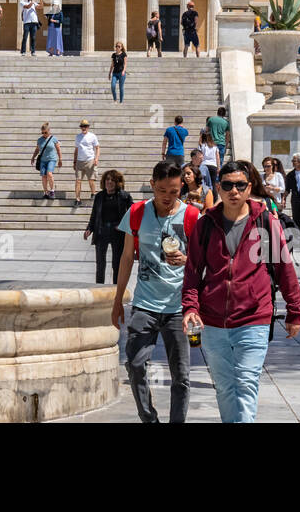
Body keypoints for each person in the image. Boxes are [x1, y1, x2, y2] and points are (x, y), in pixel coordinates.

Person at [183, 160, 300, 423]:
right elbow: (192, 271)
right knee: (225, 388)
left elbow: (284, 268)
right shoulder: (205, 225)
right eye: (227, 185)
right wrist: (191, 307)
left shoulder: (266, 222)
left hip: (254, 317)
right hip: (213, 321)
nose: (233, 191)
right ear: (219, 187)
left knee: (246, 384)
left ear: (249, 188)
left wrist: (295, 311)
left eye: (239, 185)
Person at [112, 160, 201, 424]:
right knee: (136, 365)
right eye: (162, 190)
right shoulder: (137, 212)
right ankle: (149, 419)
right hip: (144, 303)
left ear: (181, 187)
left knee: (181, 376)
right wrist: (118, 301)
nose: (167, 197)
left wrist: (187, 260)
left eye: (174, 191)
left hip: (179, 308)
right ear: (152, 185)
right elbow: (127, 258)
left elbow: (203, 260)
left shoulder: (192, 216)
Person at [84, 170, 133, 286]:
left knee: (117, 263)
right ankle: (99, 287)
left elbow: (132, 213)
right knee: (100, 263)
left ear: (117, 183)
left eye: (112, 180)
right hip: (102, 231)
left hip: (118, 232)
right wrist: (89, 229)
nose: (109, 182)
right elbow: (94, 214)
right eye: (107, 179)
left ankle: (116, 288)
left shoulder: (124, 196)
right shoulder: (99, 196)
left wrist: (123, 225)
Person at [31, 123, 62, 199]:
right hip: (43, 160)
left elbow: (58, 149)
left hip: (51, 159)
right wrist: (33, 157)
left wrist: (60, 159)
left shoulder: (54, 139)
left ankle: (52, 191)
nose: (44, 134)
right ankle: (45, 192)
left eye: (45, 132)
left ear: (49, 131)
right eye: (42, 132)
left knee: (49, 174)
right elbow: (37, 149)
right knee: (44, 176)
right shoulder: (40, 140)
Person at [73, 120, 100, 204]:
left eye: (85, 126)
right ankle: (77, 199)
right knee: (78, 180)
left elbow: (97, 147)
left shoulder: (92, 136)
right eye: (82, 126)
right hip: (79, 161)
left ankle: (93, 193)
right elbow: (76, 149)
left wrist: (96, 158)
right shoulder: (78, 137)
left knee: (91, 179)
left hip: (90, 160)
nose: (83, 128)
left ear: (88, 127)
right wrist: (74, 161)